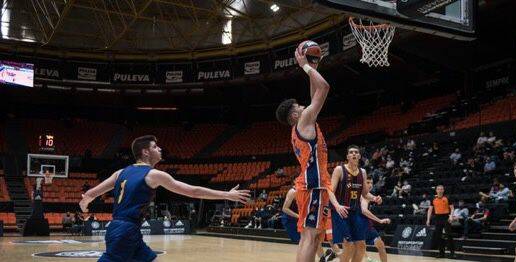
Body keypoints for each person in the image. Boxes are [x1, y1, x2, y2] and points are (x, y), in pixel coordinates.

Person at [79, 135, 250, 262]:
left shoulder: (120, 173)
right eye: (155, 146)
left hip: (125, 229)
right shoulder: (153, 175)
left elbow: (91, 193)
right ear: (145, 152)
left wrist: (85, 202)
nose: (159, 149)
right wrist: (226, 194)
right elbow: (193, 192)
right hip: (125, 231)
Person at [275, 45, 348, 262]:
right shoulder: (304, 121)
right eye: (298, 106)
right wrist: (305, 65)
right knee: (309, 235)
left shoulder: (301, 124)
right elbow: (323, 88)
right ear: (295, 115)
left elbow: (314, 92)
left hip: (316, 183)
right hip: (314, 183)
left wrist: (313, 66)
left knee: (315, 236)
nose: (303, 104)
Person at [331, 145, 381, 262]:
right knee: (348, 244)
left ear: (359, 156)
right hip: (341, 211)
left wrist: (374, 198)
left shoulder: (362, 172)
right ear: (347, 156)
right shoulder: (339, 170)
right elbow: (330, 191)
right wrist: (337, 206)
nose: (353, 154)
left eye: (356, 152)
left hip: (355, 211)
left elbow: (365, 193)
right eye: (351, 152)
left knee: (361, 245)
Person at [281, 186, 340, 262]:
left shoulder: (309, 191)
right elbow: (284, 209)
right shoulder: (292, 192)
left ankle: (322, 258)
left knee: (313, 239)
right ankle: (322, 256)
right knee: (306, 242)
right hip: (291, 219)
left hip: (303, 218)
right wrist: (299, 216)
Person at [361, 176, 390, 262]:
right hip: (358, 224)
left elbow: (374, 198)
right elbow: (364, 211)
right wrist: (380, 220)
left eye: (371, 183)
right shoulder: (363, 195)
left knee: (380, 245)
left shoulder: (368, 195)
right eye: (368, 182)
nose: (370, 185)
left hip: (366, 224)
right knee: (357, 248)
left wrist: (377, 199)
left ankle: (367, 259)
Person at [426, 185, 456, 258]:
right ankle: (441, 253)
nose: (440, 190)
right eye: (438, 189)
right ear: (436, 190)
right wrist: (428, 219)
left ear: (443, 190)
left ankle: (452, 253)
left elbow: (452, 208)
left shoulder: (447, 198)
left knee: (449, 235)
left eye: (441, 189)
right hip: (437, 218)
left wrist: (451, 216)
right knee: (438, 236)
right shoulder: (433, 199)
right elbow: (430, 210)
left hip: (446, 217)